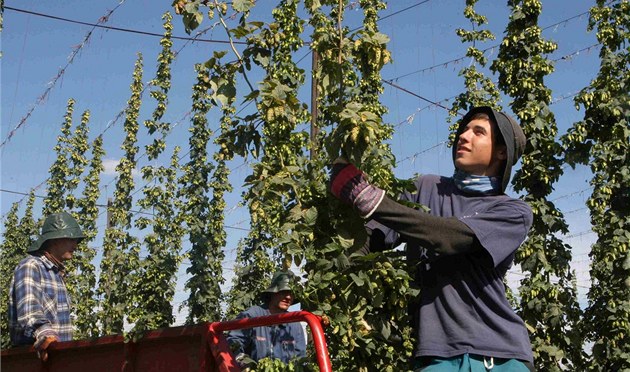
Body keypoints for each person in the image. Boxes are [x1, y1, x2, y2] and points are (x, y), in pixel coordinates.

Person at [330, 106, 535, 371]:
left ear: (501, 151)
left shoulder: (512, 211)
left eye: (478, 132)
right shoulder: (425, 188)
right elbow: (373, 240)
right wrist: (334, 233)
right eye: (464, 129)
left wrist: (369, 198)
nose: (464, 136)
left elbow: (450, 237)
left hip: (499, 355)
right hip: (436, 354)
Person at [8, 211, 86, 362]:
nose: (75, 245)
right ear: (54, 240)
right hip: (33, 360)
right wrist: (45, 334)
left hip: (56, 359)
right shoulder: (31, 266)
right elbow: (30, 312)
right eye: (71, 239)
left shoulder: (56, 274)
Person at [226, 270, 306, 366]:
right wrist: (246, 366)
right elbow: (234, 343)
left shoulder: (295, 325)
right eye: (284, 292)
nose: (288, 297)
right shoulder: (252, 316)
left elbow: (301, 358)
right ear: (273, 292)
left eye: (292, 293)